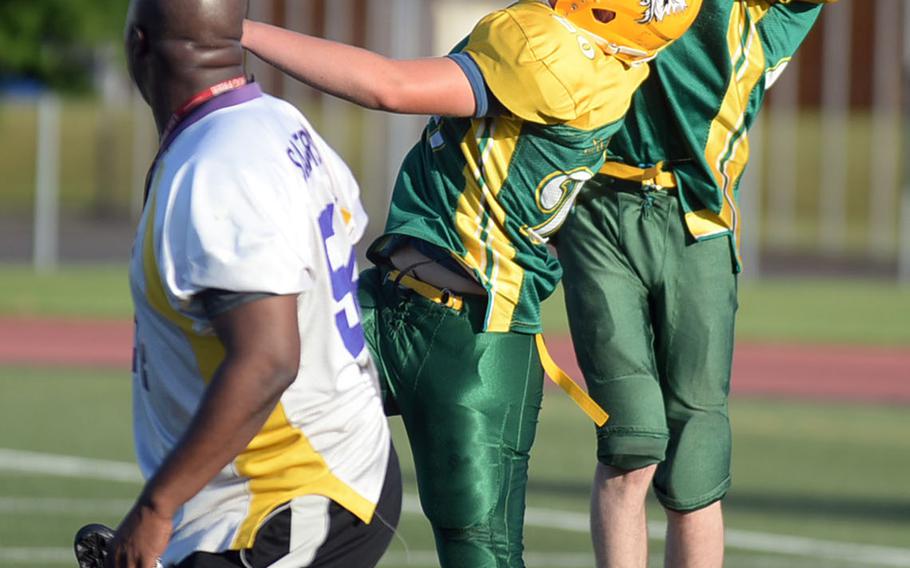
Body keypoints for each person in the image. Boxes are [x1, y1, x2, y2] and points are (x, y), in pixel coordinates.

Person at [242, 1, 701, 566]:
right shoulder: (614, 59)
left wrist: (238, 31)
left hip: (475, 346)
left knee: (480, 554)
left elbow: (388, 86)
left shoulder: (552, 51)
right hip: (390, 302)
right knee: (238, 390)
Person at [107, 0, 401, 566]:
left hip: (286, 500)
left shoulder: (220, 167)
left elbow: (267, 359)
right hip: (328, 469)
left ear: (139, 43)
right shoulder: (277, 120)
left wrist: (156, 507)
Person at [553, 1, 836, 566]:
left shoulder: (762, 17)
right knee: (630, 440)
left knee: (697, 455)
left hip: (698, 220)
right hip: (597, 208)